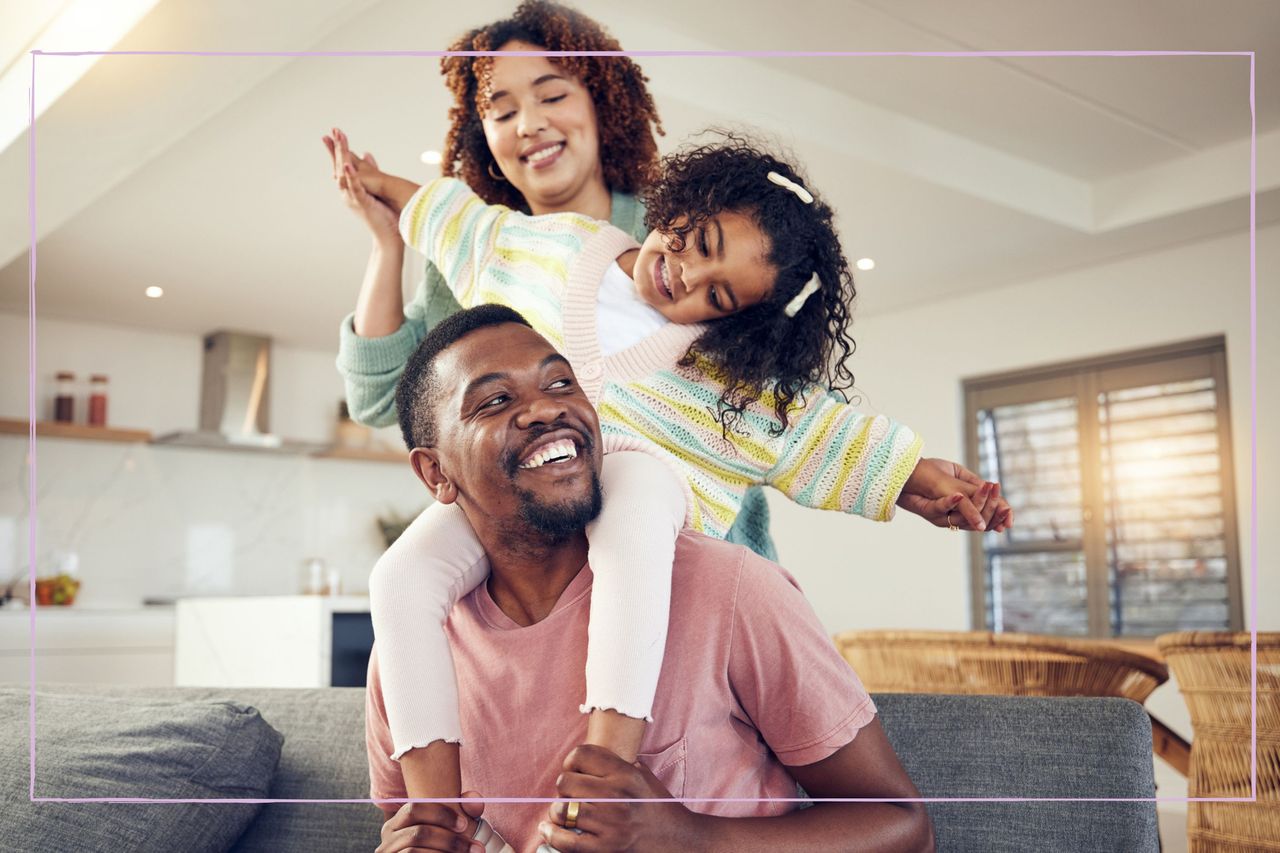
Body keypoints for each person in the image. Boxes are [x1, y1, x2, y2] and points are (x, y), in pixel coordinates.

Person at [334, 125, 1009, 840]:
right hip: (525, 488)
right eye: (701, 246)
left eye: (718, 297)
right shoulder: (555, 248)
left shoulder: (726, 384)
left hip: (638, 471)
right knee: (398, 576)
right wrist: (384, 194)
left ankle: (604, 763)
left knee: (632, 518)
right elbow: (463, 226)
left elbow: (820, 434)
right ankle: (438, 814)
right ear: (682, 204)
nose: (688, 278)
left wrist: (916, 476)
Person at [366, 304, 936, 853]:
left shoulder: (730, 590)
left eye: (562, 384)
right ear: (435, 473)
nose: (546, 409)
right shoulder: (410, 655)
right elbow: (411, 824)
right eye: (494, 400)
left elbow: (904, 829)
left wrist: (694, 840)